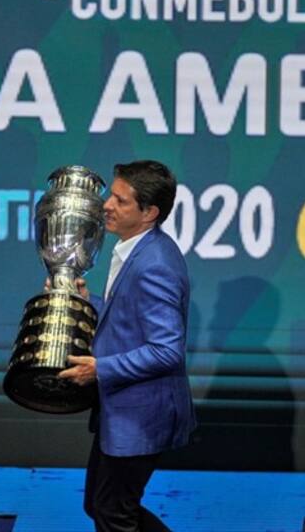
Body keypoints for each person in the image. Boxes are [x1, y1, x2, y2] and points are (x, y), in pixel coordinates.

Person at [58, 160, 196, 532]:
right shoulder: (135, 249)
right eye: (110, 196)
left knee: (113, 512)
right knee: (103, 507)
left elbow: (167, 350)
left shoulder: (156, 264)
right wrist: (89, 304)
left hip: (140, 416)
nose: (106, 205)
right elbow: (127, 320)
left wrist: (99, 368)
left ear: (149, 212)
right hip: (121, 410)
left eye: (120, 200)